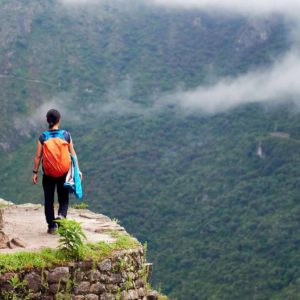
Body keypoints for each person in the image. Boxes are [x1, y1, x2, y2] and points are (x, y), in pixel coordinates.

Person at [32, 109, 82, 234]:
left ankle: (51, 226)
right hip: (63, 173)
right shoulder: (66, 135)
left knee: (48, 199)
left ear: (47, 121)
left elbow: (38, 156)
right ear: (59, 120)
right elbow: (73, 154)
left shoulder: (43, 137)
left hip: (48, 174)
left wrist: (35, 172)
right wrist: (77, 170)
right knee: (63, 198)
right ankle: (61, 217)